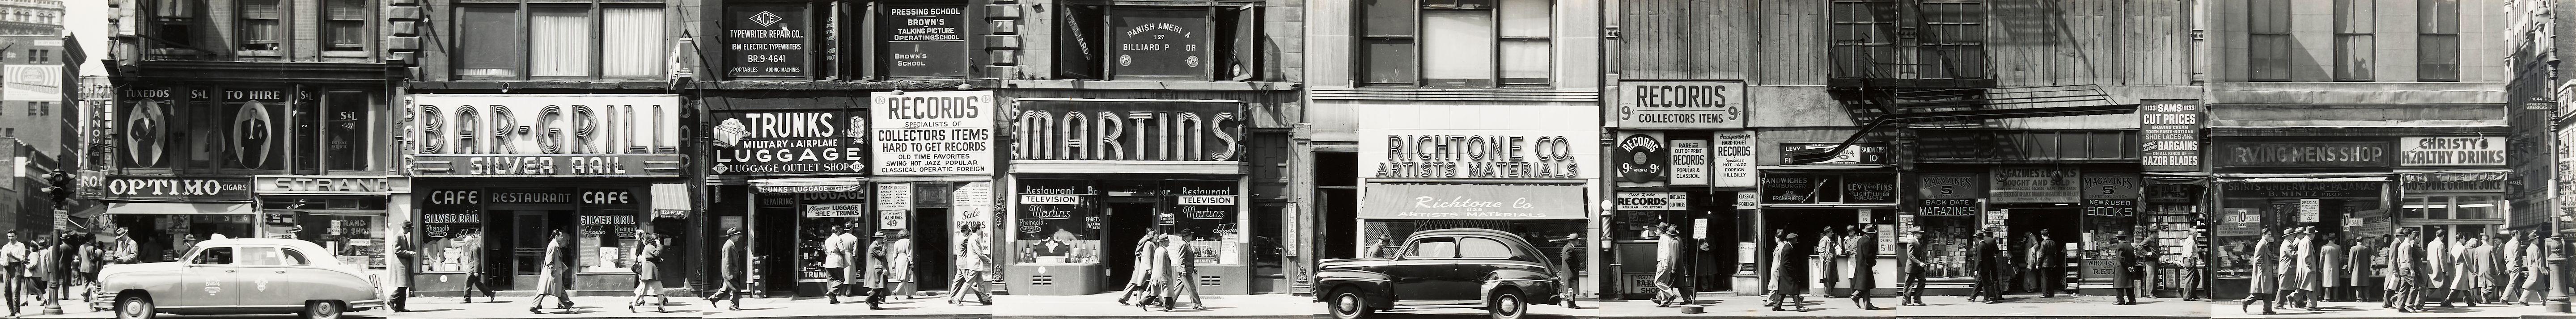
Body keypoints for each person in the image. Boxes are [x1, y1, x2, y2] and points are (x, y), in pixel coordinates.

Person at [1117, 228, 1164, 306]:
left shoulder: (1148, 242)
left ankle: (1133, 298)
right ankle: (1126, 298)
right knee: (1138, 283)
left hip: (1143, 265)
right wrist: (1145, 257)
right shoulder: (1144, 241)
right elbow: (1138, 252)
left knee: (1140, 283)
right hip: (1141, 265)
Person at [530, 229, 572, 314]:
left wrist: (562, 268)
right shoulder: (553, 246)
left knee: (545, 290)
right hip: (553, 274)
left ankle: (534, 306)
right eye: (561, 236)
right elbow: (550, 261)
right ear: (556, 237)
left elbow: (557, 260)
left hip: (554, 273)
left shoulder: (555, 245)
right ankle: (569, 307)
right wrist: (554, 272)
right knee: (557, 290)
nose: (563, 238)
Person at [949, 223, 992, 306]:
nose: (982, 231)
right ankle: (958, 298)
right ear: (978, 230)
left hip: (977, 265)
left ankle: (985, 300)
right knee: (969, 282)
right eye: (981, 229)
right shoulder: (973, 239)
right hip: (975, 264)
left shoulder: (973, 238)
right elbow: (979, 252)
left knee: (981, 283)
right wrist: (988, 260)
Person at [1161, 229, 1204, 311]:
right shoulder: (1183, 244)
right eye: (1191, 236)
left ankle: (1168, 303)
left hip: (1186, 270)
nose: (1192, 237)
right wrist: (1183, 270)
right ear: (1187, 237)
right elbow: (1181, 258)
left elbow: (1189, 258)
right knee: (1191, 288)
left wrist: (1193, 267)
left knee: (1178, 288)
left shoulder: (1186, 244)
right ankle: (1197, 304)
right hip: (1185, 271)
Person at [1767, 232, 1806, 311]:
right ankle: (1799, 306)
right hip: (1788, 274)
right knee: (1795, 289)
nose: (1797, 241)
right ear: (1792, 240)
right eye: (1796, 239)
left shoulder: (1788, 247)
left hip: (1785, 274)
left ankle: (1776, 306)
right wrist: (1793, 273)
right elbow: (1786, 263)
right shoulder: (1788, 248)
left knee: (1782, 290)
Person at [2241, 228, 2276, 315]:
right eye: (2269, 235)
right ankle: (2246, 302)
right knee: (2260, 292)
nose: (2270, 236)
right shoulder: (2262, 244)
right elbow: (2258, 259)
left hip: (2265, 272)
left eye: (2270, 235)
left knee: (2267, 292)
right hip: (2263, 273)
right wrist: (2263, 268)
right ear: (2264, 235)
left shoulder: (2265, 244)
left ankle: (2267, 309)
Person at [629, 232, 667, 312]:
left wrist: (658, 260)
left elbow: (651, 257)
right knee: (653, 288)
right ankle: (661, 306)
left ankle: (634, 304)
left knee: (648, 288)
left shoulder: (648, 247)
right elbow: (657, 254)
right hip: (651, 270)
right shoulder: (650, 247)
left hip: (649, 270)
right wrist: (660, 245)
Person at [824, 224, 858, 304]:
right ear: (838, 231)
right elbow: (843, 250)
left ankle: (832, 299)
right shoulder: (838, 239)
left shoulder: (827, 240)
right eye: (840, 231)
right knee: (841, 279)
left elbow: (825, 252)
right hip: (837, 261)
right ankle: (832, 292)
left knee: (831, 281)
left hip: (828, 261)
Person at [1847, 224, 1879, 310]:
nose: (1873, 235)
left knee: (1865, 286)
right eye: (1873, 233)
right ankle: (1864, 302)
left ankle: (1861, 300)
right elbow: (1868, 256)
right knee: (1867, 286)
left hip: (1860, 266)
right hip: (1866, 267)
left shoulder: (1860, 240)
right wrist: (1873, 262)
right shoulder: (1867, 242)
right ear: (1870, 234)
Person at [714, 227, 746, 311]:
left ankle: (714, 298)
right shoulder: (728, 246)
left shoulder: (731, 245)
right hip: (731, 273)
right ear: (732, 236)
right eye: (737, 235)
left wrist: (738, 270)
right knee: (735, 289)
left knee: (725, 289)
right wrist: (729, 275)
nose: (738, 237)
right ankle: (733, 306)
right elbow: (727, 262)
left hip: (733, 272)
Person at [1651, 222, 1683, 307]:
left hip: (1664, 262)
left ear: (1661, 231)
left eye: (1657, 229)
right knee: (1663, 282)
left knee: (1657, 281)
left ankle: (1671, 295)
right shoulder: (1666, 238)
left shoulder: (1664, 238)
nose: (1656, 231)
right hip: (1666, 262)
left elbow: (1666, 252)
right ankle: (1665, 301)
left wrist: (1664, 264)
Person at [458, 231, 494, 303]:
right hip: (474, 269)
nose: (466, 245)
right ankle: (490, 293)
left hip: (473, 270)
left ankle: (467, 299)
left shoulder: (475, 248)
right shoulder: (474, 247)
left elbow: (477, 260)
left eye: (467, 243)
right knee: (478, 284)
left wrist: (476, 272)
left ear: (470, 242)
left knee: (467, 283)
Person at [389, 222, 417, 312]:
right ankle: (392, 300)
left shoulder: (403, 236)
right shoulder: (398, 236)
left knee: (404, 286)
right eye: (408, 229)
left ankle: (400, 307)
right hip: (400, 265)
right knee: (403, 286)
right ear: (404, 228)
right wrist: (409, 253)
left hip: (404, 264)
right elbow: (397, 251)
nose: (409, 231)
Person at [1971, 228, 2002, 303]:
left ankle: (1988, 298)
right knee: (1993, 279)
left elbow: (1979, 258)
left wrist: (1976, 269)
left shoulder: (1980, 244)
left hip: (1983, 266)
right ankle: (1996, 296)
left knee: (1986, 282)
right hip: (1990, 264)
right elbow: (1997, 252)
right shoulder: (1992, 241)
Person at [1900, 230, 1929, 306]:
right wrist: (1920, 263)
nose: (1921, 235)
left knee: (1923, 281)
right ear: (1915, 234)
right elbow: (1911, 256)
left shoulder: (1918, 242)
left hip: (1918, 268)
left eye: (1922, 233)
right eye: (1920, 233)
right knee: (1909, 284)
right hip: (1912, 267)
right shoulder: (1911, 242)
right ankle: (1906, 301)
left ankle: (1917, 299)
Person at [864, 232, 892, 310]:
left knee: (879, 287)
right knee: (878, 287)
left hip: (877, 269)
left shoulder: (876, 245)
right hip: (875, 270)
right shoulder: (874, 247)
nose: (883, 240)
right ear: (877, 239)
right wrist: (885, 247)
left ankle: (874, 305)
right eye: (882, 239)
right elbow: (881, 255)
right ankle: (869, 300)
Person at [2424, 229, 2450, 308]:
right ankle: (2444, 302)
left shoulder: (2430, 244)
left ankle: (2421, 300)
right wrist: (2445, 270)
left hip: (2431, 268)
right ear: (2443, 236)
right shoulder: (2441, 245)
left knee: (2432, 287)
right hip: (2439, 269)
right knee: (2444, 286)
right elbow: (2442, 259)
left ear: (2436, 235)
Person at [2110, 231, 2138, 305]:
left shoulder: (2120, 246)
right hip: (2129, 268)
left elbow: (2121, 258)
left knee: (2119, 285)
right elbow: (2134, 258)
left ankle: (2120, 300)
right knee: (2129, 285)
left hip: (2121, 268)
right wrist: (2131, 266)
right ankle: (2132, 300)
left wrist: (2127, 266)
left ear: (2118, 238)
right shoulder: (2130, 246)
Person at [887, 230, 916, 299]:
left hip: (899, 260)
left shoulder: (897, 243)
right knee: (905, 278)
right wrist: (911, 263)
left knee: (904, 278)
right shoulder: (908, 241)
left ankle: (908, 295)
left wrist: (893, 264)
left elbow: (895, 254)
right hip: (905, 259)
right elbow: (909, 253)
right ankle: (896, 291)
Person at [1816, 226, 1841, 298]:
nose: (1832, 234)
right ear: (1827, 233)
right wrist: (1827, 258)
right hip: (1828, 261)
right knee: (1828, 277)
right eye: (1831, 232)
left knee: (1833, 277)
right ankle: (1827, 293)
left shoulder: (1828, 240)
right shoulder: (1824, 240)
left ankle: (1829, 292)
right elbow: (1821, 250)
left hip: (1831, 261)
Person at [2036, 229, 2060, 297]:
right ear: (2048, 235)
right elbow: (2055, 254)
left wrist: (2038, 264)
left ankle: (2046, 293)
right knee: (2050, 278)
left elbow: (2041, 255)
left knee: (2044, 279)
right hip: (2051, 263)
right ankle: (2052, 293)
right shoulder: (2053, 243)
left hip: (2045, 263)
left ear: (2042, 236)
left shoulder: (2043, 243)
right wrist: (2055, 263)